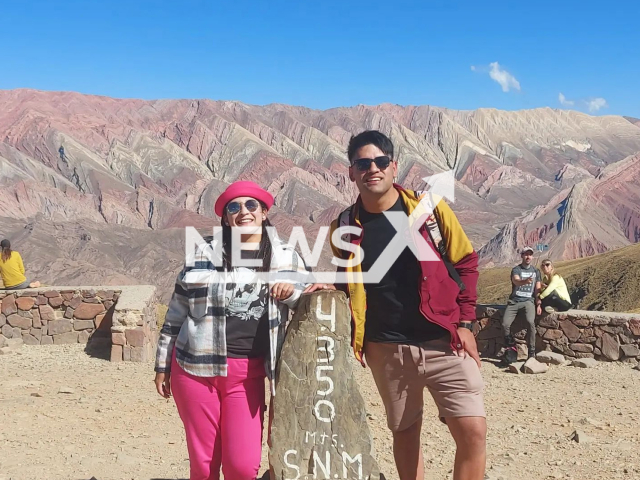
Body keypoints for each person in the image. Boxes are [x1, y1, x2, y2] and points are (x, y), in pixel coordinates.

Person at [306, 130, 486, 480]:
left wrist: (466, 323)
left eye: (380, 161)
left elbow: (466, 263)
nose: (373, 168)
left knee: (472, 431)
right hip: (386, 345)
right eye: (363, 163)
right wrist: (333, 283)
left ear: (394, 167)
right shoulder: (343, 226)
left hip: (444, 340)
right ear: (351, 172)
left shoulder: (429, 212)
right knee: (405, 433)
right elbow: (357, 278)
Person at [154, 181, 310, 480]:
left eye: (251, 205)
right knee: (204, 465)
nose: (243, 212)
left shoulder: (286, 257)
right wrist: (162, 365)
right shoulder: (203, 254)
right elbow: (176, 312)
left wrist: (290, 292)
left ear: (264, 213)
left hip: (247, 374)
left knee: (242, 465)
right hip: (195, 367)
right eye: (233, 207)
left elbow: (310, 301)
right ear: (225, 218)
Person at [501, 247, 542, 362]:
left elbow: (537, 289)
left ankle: (532, 352)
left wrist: (538, 303)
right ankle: (511, 347)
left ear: (532, 257)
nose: (528, 257)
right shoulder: (516, 269)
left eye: (530, 255)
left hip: (528, 301)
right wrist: (525, 281)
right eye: (526, 254)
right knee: (505, 324)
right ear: (522, 256)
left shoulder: (536, 271)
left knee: (530, 322)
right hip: (514, 301)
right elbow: (516, 281)